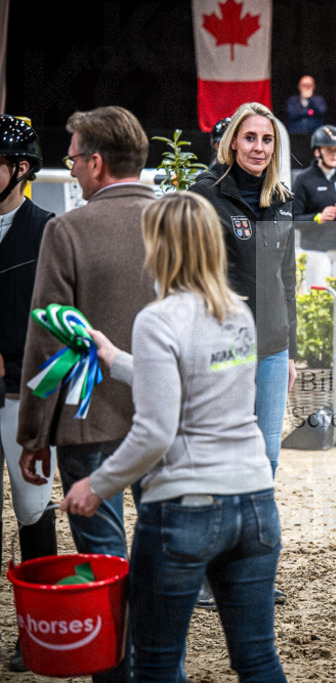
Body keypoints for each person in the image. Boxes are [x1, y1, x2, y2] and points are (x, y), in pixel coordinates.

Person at [61, 192, 285, 683]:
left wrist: (96, 485)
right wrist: (116, 359)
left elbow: (155, 432)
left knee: (157, 661)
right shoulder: (237, 313)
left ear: (162, 247)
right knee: (257, 658)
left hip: (187, 507)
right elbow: (197, 378)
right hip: (255, 503)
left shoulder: (158, 319)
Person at [16, 105, 153, 683]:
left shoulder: (66, 230)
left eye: (74, 158)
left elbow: (49, 338)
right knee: (163, 551)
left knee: (103, 559)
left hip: (87, 422)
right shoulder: (181, 221)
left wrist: (33, 432)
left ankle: (114, 673)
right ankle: (157, 664)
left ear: (96, 163)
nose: (71, 169)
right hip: (165, 421)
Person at [191, 102, 295, 606]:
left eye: (267, 140)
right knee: (221, 455)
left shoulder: (282, 199)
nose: (259, 148)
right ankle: (212, 572)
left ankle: (247, 571)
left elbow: (286, 280)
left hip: (272, 349)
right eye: (250, 138)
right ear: (233, 141)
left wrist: (291, 350)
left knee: (266, 459)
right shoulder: (204, 196)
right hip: (223, 347)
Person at [0, 115, 57, 673]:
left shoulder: (47, 231)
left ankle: (37, 632)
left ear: (20, 170)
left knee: (33, 510)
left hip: (23, 397)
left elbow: (61, 324)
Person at [292, 124, 336, 287]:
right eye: (329, 149)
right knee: (318, 301)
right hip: (315, 251)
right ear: (317, 151)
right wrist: (318, 217)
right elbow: (293, 220)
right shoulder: (303, 180)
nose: (334, 154)